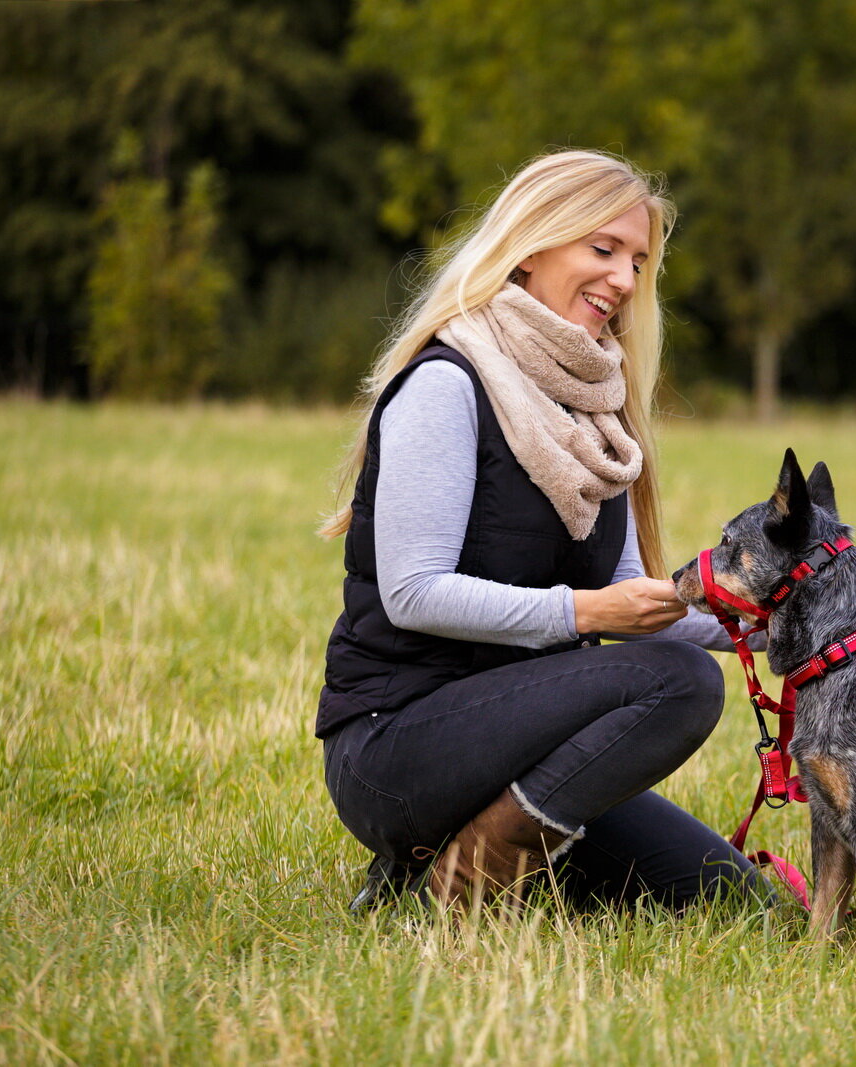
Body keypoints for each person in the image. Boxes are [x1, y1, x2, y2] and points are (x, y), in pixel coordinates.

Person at [315, 149, 767, 916]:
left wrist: (781, 623)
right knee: (677, 681)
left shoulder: (593, 404)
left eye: (637, 260)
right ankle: (463, 883)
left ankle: (432, 871)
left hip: (525, 747)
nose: (624, 280)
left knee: (732, 901)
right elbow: (413, 594)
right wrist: (588, 615)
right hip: (397, 746)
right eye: (603, 250)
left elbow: (630, 590)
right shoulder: (447, 380)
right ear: (530, 246)